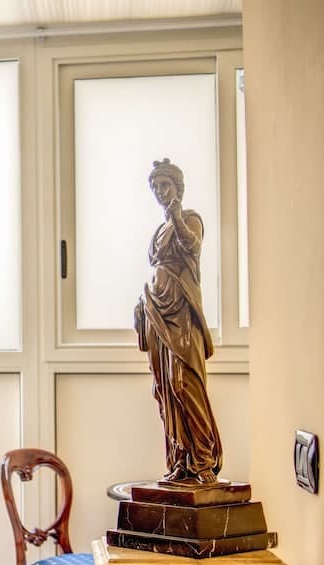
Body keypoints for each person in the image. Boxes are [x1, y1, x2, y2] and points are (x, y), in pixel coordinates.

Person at [134, 158, 223, 485]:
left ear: (178, 188)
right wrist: (141, 307)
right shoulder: (158, 231)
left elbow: (192, 247)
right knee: (165, 389)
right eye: (156, 187)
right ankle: (181, 460)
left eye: (166, 185)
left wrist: (177, 219)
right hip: (156, 309)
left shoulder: (190, 219)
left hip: (181, 311)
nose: (160, 191)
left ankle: (203, 459)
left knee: (184, 383)